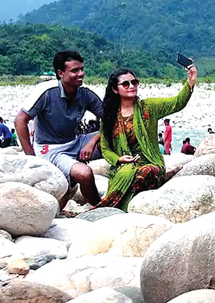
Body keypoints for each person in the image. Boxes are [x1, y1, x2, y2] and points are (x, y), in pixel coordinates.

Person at [98, 64, 197, 210]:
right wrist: (118, 159)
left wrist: (190, 83)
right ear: (115, 89)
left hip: (150, 162)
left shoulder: (148, 107)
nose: (131, 86)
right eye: (126, 84)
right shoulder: (109, 117)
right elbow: (105, 148)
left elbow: (177, 103)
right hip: (124, 167)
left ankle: (128, 206)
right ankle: (115, 207)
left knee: (147, 171)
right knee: (127, 173)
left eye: (134, 82)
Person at [15, 50, 103, 207]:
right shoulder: (47, 92)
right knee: (85, 174)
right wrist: (31, 158)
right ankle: (100, 209)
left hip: (76, 142)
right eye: (75, 70)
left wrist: (93, 141)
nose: (81, 74)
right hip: (51, 149)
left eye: (82, 69)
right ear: (60, 73)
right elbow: (20, 121)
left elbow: (111, 120)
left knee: (122, 136)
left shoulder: (84, 94)